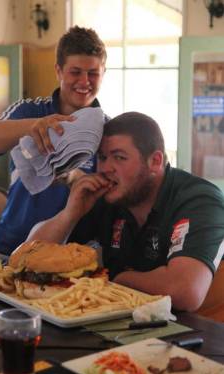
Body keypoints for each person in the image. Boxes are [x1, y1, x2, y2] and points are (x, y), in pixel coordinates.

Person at [28, 111, 224, 312]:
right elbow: (29, 255)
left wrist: (115, 279)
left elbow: (185, 291)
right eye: (102, 157)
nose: (105, 168)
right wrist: (70, 214)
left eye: (119, 157)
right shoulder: (111, 196)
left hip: (203, 331)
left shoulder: (199, 199)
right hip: (138, 326)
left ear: (155, 161)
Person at [0, 26, 107, 255]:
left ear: (103, 73)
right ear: (58, 71)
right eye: (75, 72)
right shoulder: (29, 109)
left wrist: (78, 178)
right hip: (11, 247)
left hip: (72, 254)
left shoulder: (109, 127)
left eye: (93, 73)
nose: (84, 81)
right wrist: (30, 127)